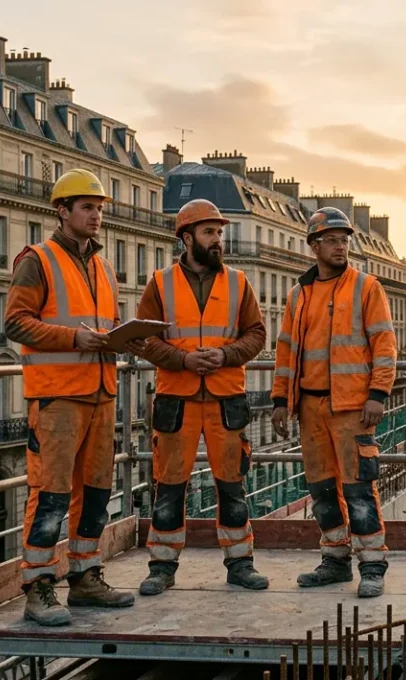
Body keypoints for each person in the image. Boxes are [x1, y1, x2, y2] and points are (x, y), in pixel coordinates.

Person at [6, 168, 142, 626]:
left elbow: (101, 327)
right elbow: (16, 323)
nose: (96, 215)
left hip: (101, 394)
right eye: (87, 207)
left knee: (97, 493)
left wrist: (126, 338)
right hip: (57, 398)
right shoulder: (37, 260)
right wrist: (73, 339)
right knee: (50, 495)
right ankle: (39, 587)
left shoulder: (102, 266)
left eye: (100, 208)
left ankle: (85, 577)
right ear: (61, 211)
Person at [136, 199, 269, 595]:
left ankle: (240, 563)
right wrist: (183, 359)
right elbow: (143, 338)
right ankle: (162, 565)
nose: (218, 240)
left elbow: (257, 334)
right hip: (176, 399)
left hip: (226, 399)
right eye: (210, 232)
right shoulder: (160, 283)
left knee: (232, 485)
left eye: (220, 233)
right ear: (187, 236)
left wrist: (226, 354)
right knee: (168, 485)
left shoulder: (238, 282)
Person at [269, 207, 398, 598]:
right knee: (322, 489)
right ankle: (335, 559)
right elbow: (286, 351)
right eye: (332, 240)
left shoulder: (366, 287)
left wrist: (378, 394)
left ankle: (372, 564)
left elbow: (384, 344)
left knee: (359, 487)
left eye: (344, 240)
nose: (341, 247)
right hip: (310, 407)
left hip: (352, 407)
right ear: (314, 246)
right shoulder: (299, 294)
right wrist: (280, 400)